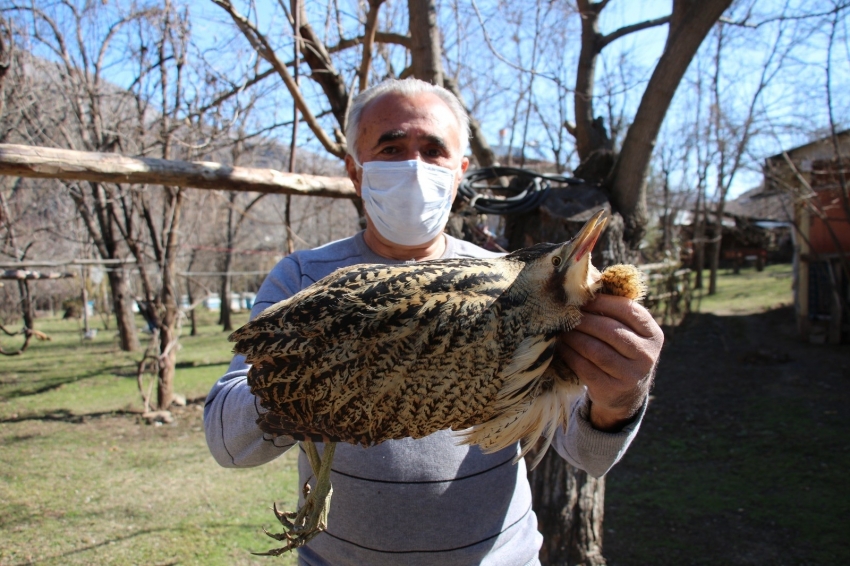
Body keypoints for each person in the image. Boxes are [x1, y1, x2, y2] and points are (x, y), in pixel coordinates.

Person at [204, 78, 664, 566]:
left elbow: (590, 456)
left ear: (460, 171)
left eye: (433, 149)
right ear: (355, 172)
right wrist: (310, 374)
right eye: (392, 147)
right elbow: (228, 446)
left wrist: (621, 397)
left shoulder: (522, 295)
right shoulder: (301, 278)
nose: (414, 166)